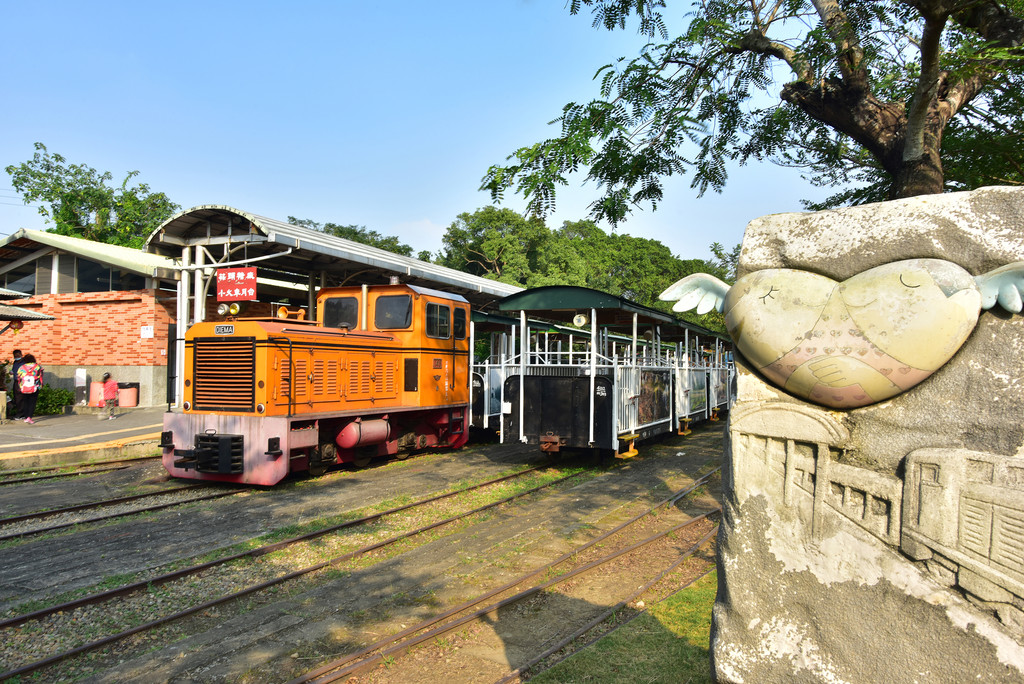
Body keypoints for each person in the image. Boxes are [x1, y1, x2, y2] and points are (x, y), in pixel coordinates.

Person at [16, 353, 41, 424]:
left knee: (25, 402)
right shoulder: (37, 367)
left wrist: (20, 386)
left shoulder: (22, 367)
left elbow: (19, 377)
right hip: (34, 387)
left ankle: (26, 417)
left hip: (24, 387)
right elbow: (40, 377)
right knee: (32, 403)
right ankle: (30, 417)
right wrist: (39, 386)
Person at [10, 349, 24, 419]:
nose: (16, 357)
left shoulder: (24, 362)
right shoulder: (15, 362)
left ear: (21, 355)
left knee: (20, 398)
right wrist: (12, 372)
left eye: (18, 356)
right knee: (16, 398)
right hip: (16, 381)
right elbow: (13, 370)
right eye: (15, 356)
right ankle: (20, 413)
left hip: (22, 382)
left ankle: (21, 413)